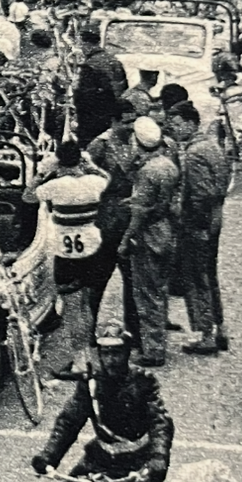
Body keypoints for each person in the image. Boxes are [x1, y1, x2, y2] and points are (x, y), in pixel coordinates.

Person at [32, 322, 174, 482]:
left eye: (117, 353)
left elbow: (159, 422)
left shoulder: (143, 382)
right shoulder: (90, 384)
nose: (111, 360)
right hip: (99, 462)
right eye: (105, 353)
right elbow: (69, 421)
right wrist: (48, 456)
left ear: (127, 353)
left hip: (136, 465)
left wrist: (158, 458)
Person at [22, 139, 106, 373]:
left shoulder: (55, 186)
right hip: (91, 248)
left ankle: (79, 361)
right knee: (86, 305)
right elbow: (106, 179)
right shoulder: (95, 182)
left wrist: (42, 172)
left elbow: (28, 196)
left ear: (59, 161)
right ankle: (87, 355)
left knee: (71, 308)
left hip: (67, 251)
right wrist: (89, 165)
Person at [167, 101, 230, 356]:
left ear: (192, 123)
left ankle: (205, 334)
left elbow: (200, 194)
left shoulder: (193, 153)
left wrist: (189, 220)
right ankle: (220, 327)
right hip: (214, 219)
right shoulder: (213, 147)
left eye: (179, 124)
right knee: (210, 276)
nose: (176, 129)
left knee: (196, 279)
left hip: (197, 224)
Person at [121, 114, 182, 365]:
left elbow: (140, 212)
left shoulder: (147, 172)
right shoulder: (168, 164)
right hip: (167, 229)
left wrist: (126, 239)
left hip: (149, 233)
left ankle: (153, 350)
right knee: (160, 289)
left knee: (146, 293)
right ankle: (158, 342)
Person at [74, 18, 128, 149]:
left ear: (86, 44)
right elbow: (124, 87)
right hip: (115, 115)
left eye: (81, 44)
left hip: (95, 118)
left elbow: (85, 98)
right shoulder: (114, 60)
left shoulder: (90, 66)